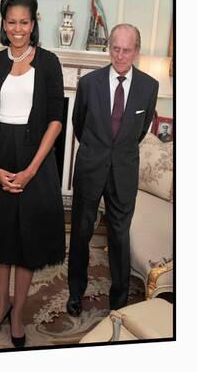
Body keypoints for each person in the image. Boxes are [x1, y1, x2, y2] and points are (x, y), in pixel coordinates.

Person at [0, 0, 65, 348]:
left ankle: (18, 311)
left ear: (34, 22)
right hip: (0, 156)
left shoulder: (50, 62)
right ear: (3, 23)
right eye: (11, 22)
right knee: (1, 237)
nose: (18, 29)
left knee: (26, 242)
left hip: (35, 159)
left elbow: (56, 119)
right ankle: (1, 303)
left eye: (24, 22)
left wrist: (32, 169)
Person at [66, 24, 158, 317]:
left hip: (124, 171)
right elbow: (78, 123)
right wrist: (97, 150)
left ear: (137, 51)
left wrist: (117, 152)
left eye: (127, 50)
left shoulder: (149, 87)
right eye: (115, 48)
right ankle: (75, 293)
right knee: (81, 232)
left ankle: (118, 300)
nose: (120, 55)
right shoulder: (90, 82)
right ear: (109, 48)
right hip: (90, 167)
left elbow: (140, 131)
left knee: (120, 235)